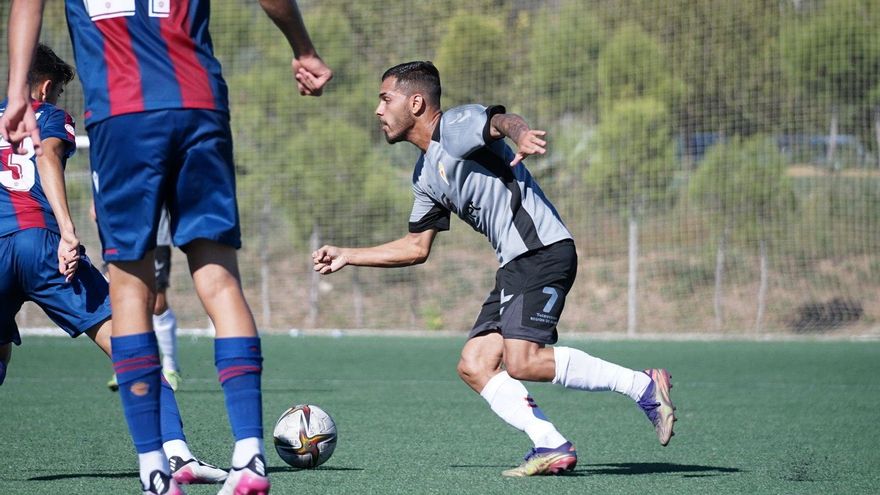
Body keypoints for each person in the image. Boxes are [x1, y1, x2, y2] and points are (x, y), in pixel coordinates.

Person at [1, 1, 331, 494]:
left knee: (131, 290)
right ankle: (238, 457)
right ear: (49, 88)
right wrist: (304, 49)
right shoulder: (52, 115)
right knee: (214, 280)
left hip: (121, 115)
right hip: (197, 104)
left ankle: (155, 469)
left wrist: (13, 92)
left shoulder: (27, 109)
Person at [312, 61, 676, 477]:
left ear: (416, 102)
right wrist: (348, 255)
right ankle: (551, 444)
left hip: (542, 250)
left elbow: (499, 121)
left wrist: (519, 132)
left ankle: (643, 386)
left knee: (523, 362)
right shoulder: (425, 174)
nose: (378, 110)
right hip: (515, 265)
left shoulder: (453, 127)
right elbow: (416, 247)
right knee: (475, 363)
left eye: (385, 99)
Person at [0, 42, 227, 487]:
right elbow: (46, 156)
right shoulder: (46, 115)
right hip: (42, 244)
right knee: (131, 343)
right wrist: (67, 229)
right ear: (45, 87)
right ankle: (177, 456)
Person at [107, 208, 183, 392]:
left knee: (157, 304)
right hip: (120, 232)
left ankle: (170, 366)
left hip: (157, 235)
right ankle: (130, 364)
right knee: (122, 300)